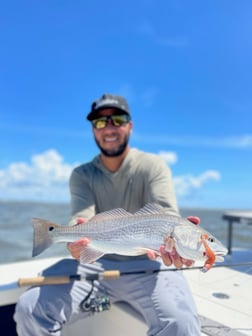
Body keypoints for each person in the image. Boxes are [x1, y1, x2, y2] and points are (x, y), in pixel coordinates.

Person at [14, 93, 201, 335]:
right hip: (96, 265)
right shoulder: (82, 174)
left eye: (118, 119)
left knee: (181, 324)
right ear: (93, 130)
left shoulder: (153, 166)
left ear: (130, 126)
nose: (109, 127)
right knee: (30, 308)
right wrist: (75, 237)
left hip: (150, 266)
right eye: (100, 122)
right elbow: (81, 215)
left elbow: (165, 212)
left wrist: (181, 244)